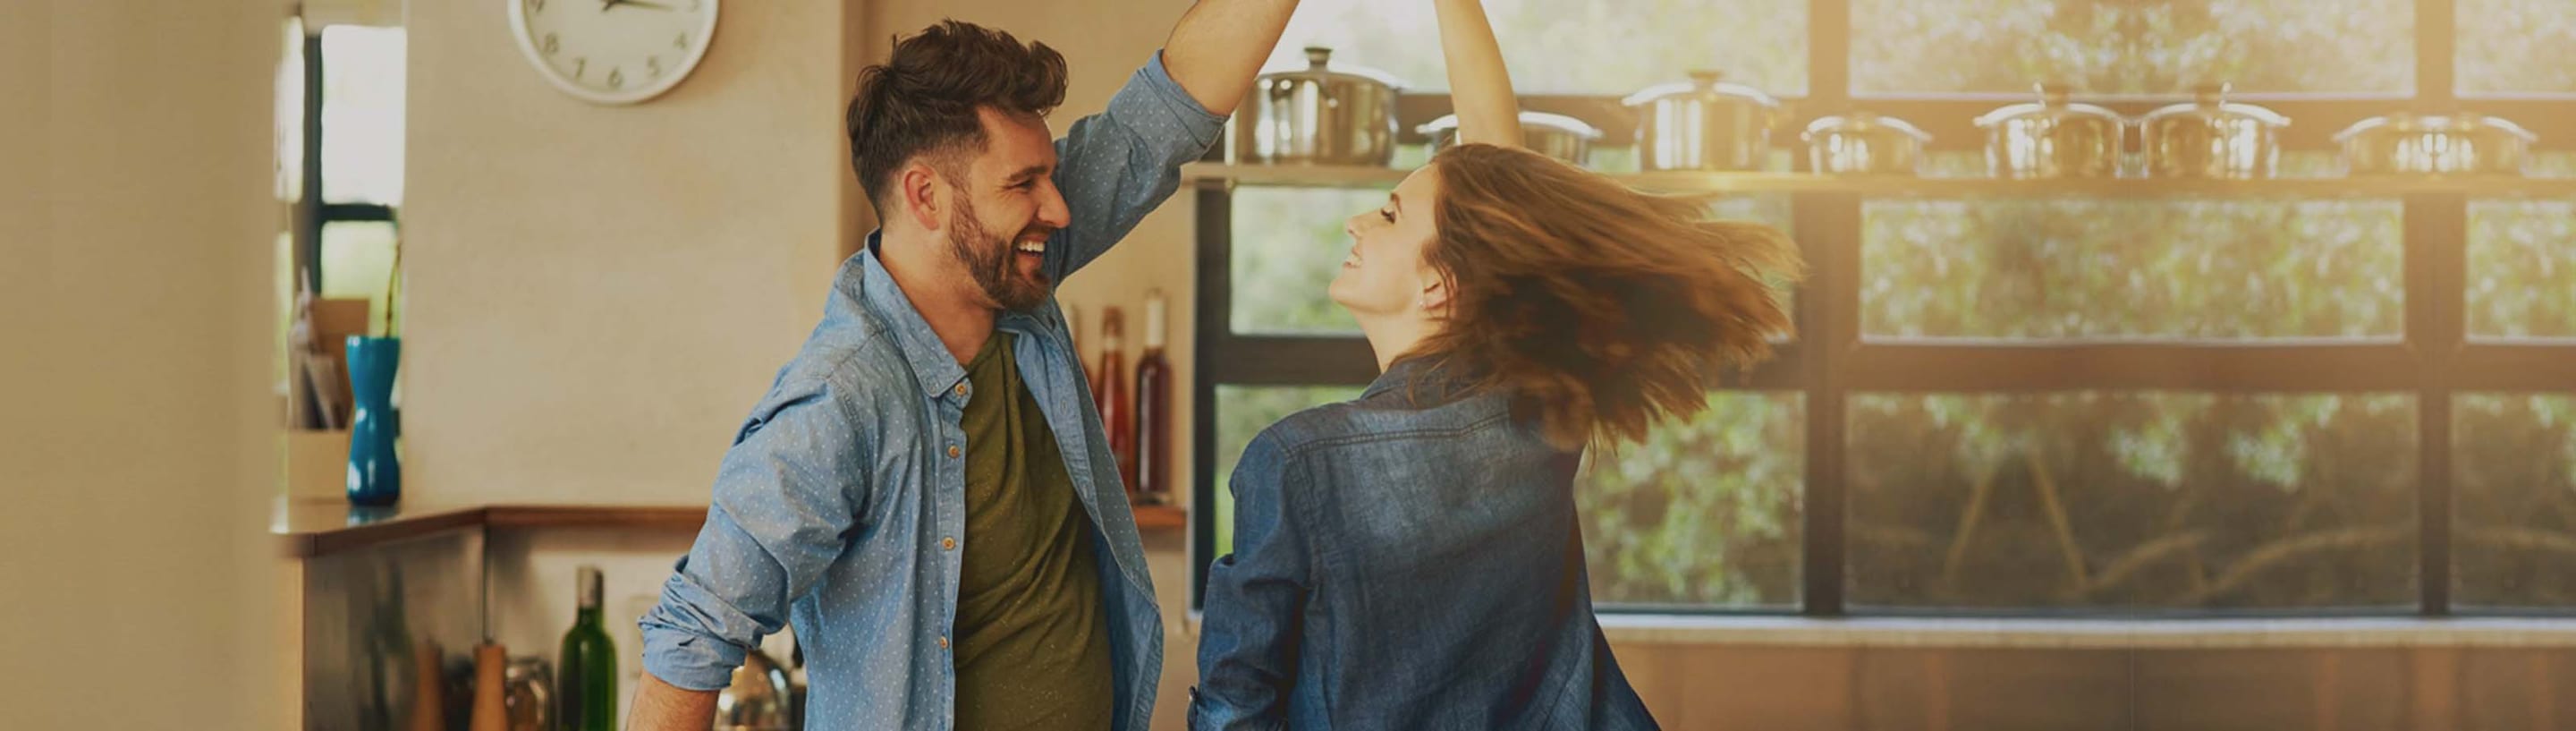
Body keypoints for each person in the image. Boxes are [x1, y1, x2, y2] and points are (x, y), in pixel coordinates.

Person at [628, 6, 1299, 730]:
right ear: (927, 197)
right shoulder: (837, 402)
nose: (1060, 208)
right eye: (1024, 184)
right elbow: (690, 639)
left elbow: (1162, 116)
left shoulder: (1013, 283)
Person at [1189, 1, 1804, 728]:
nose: (1357, 221)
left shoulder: (1293, 462)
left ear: (1440, 285)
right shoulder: (1537, 409)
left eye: (1388, 215)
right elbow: (1494, 165)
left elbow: (1235, 708)